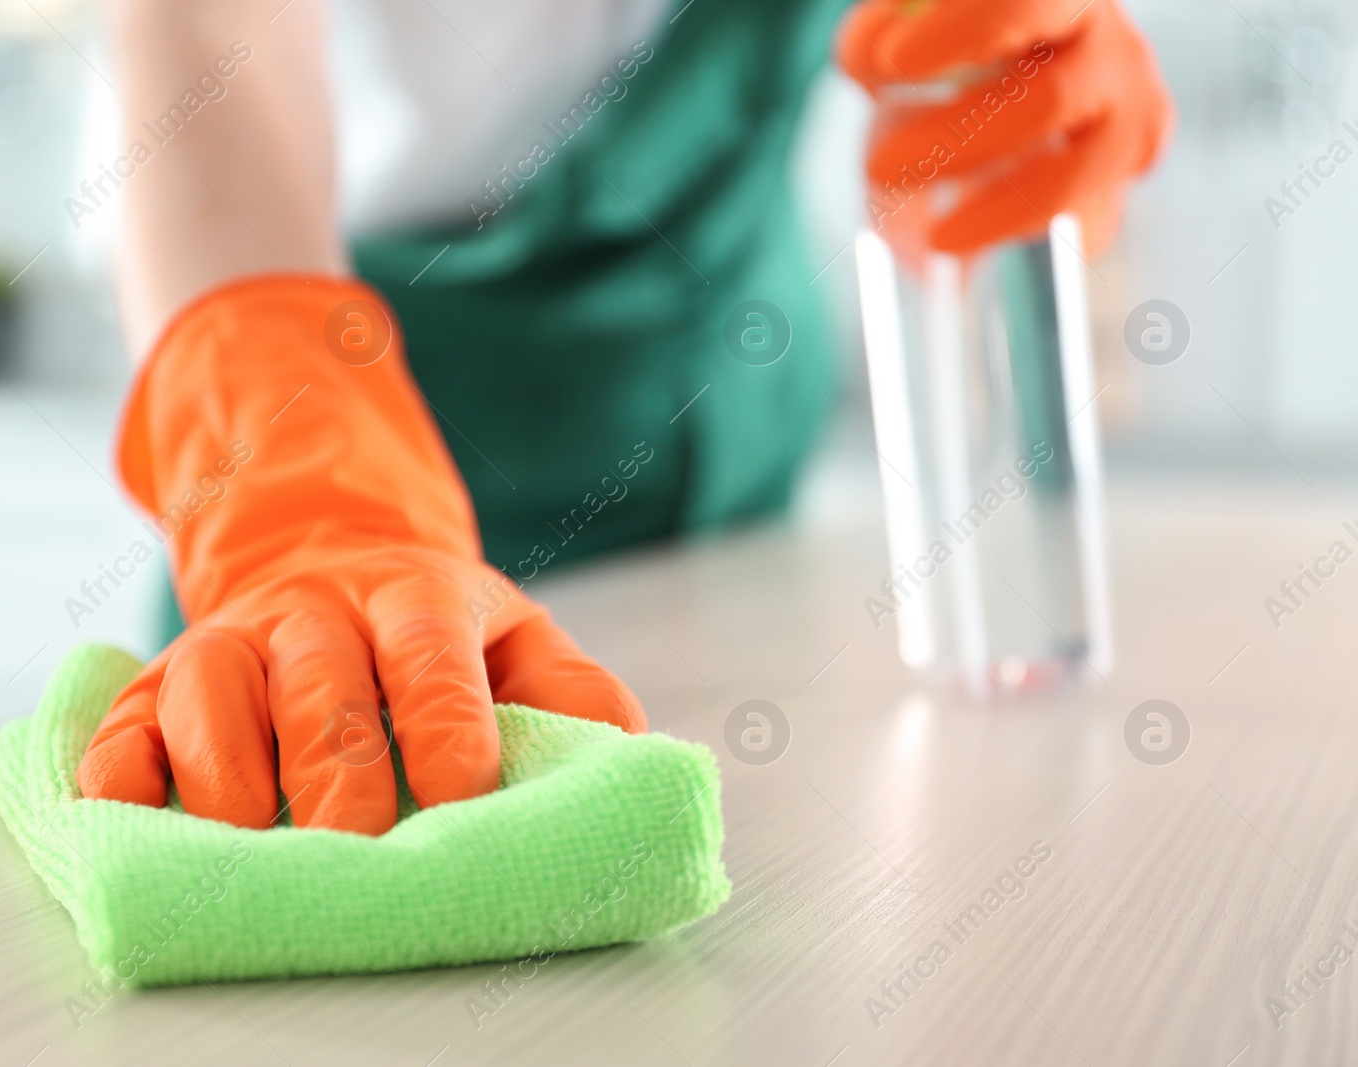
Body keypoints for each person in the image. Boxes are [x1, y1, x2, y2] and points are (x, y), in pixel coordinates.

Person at [76, 0, 1172, 833]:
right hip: (361, 424)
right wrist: (300, 503)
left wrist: (1013, 88)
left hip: (737, 504)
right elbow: (211, 63)